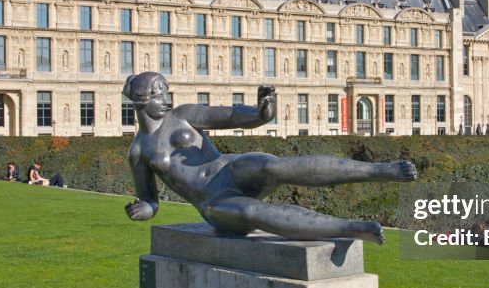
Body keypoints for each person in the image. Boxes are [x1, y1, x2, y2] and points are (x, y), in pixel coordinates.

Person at [123, 72, 415, 244]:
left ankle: (380, 170)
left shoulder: (183, 115)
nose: (166, 100)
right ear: (140, 101)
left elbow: (234, 116)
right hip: (213, 202)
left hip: (229, 170)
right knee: (252, 214)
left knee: (273, 166)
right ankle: (351, 228)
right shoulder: (139, 151)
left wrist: (264, 110)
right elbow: (150, 200)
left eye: (165, 93)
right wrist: (142, 209)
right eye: (157, 95)